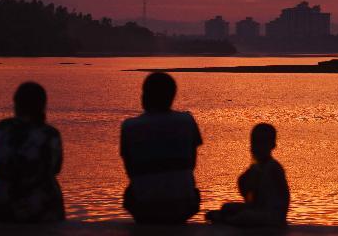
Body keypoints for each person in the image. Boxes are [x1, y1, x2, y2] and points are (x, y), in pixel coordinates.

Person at [120, 72, 202, 224]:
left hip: (144, 209)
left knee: (130, 193)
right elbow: (192, 164)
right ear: (172, 96)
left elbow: (130, 170)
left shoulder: (129, 126)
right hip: (183, 206)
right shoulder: (187, 121)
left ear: (146, 96)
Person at [0, 82, 65, 223]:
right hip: (38, 203)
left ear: (16, 104)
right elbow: (56, 169)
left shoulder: (2, 128)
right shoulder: (50, 134)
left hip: (2, 200)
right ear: (42, 105)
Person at [206, 123, 289, 227]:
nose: (257, 147)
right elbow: (248, 194)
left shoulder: (273, 167)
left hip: (273, 215)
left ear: (272, 145)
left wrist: (278, 215)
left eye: (262, 143)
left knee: (246, 216)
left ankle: (227, 220)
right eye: (255, 143)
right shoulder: (255, 167)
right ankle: (226, 217)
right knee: (227, 207)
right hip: (258, 208)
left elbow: (282, 197)